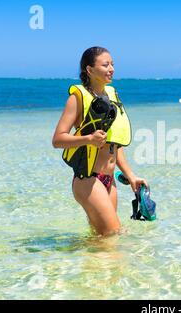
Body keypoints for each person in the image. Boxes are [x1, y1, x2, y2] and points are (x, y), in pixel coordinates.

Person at [52, 46, 147, 236]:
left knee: (99, 240)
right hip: (88, 179)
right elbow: (58, 139)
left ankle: (86, 265)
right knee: (115, 235)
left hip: (108, 180)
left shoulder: (111, 96)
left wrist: (130, 176)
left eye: (112, 64)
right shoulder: (77, 98)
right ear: (89, 70)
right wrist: (89, 139)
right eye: (105, 65)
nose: (111, 69)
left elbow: (114, 144)